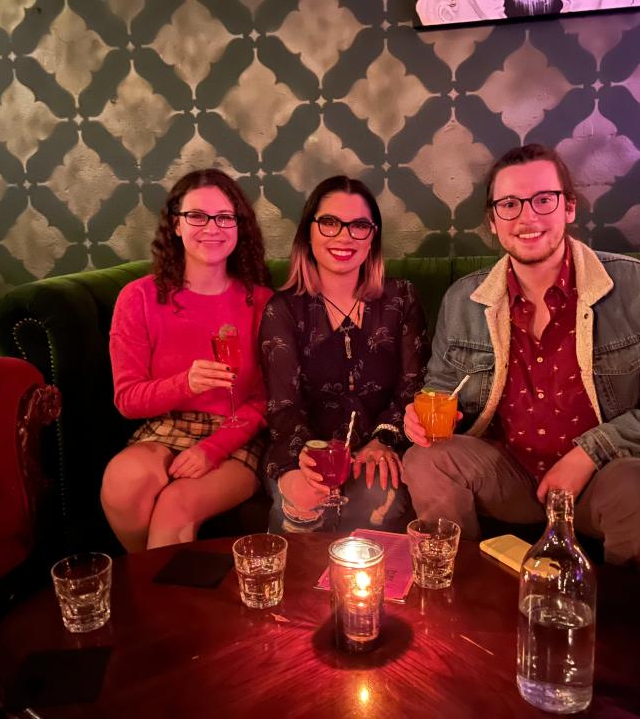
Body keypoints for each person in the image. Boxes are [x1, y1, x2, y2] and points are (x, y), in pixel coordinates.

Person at [402, 144, 640, 585]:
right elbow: (440, 388)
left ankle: (630, 636)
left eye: (542, 200)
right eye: (509, 204)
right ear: (493, 221)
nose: (526, 218)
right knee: (424, 460)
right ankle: (461, 600)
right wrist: (422, 415)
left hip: (605, 479)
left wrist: (592, 451)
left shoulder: (638, 287)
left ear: (569, 208)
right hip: (509, 475)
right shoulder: (464, 299)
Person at [101, 168, 272, 551]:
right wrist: (186, 383)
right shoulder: (139, 297)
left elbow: (264, 400)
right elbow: (128, 400)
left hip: (237, 433)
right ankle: (152, 587)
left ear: (239, 227)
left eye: (224, 217)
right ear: (175, 225)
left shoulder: (260, 302)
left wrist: (211, 450)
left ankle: (159, 604)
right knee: (122, 482)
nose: (211, 227)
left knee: (175, 505)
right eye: (196, 216)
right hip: (165, 428)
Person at [259, 175, 430, 533]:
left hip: (379, 450)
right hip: (305, 449)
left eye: (359, 226)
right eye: (330, 223)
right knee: (303, 499)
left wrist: (382, 439)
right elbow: (283, 407)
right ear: (309, 232)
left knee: (376, 495)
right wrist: (305, 459)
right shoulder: (284, 310)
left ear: (373, 238)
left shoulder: (401, 299)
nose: (344, 236)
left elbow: (412, 388)